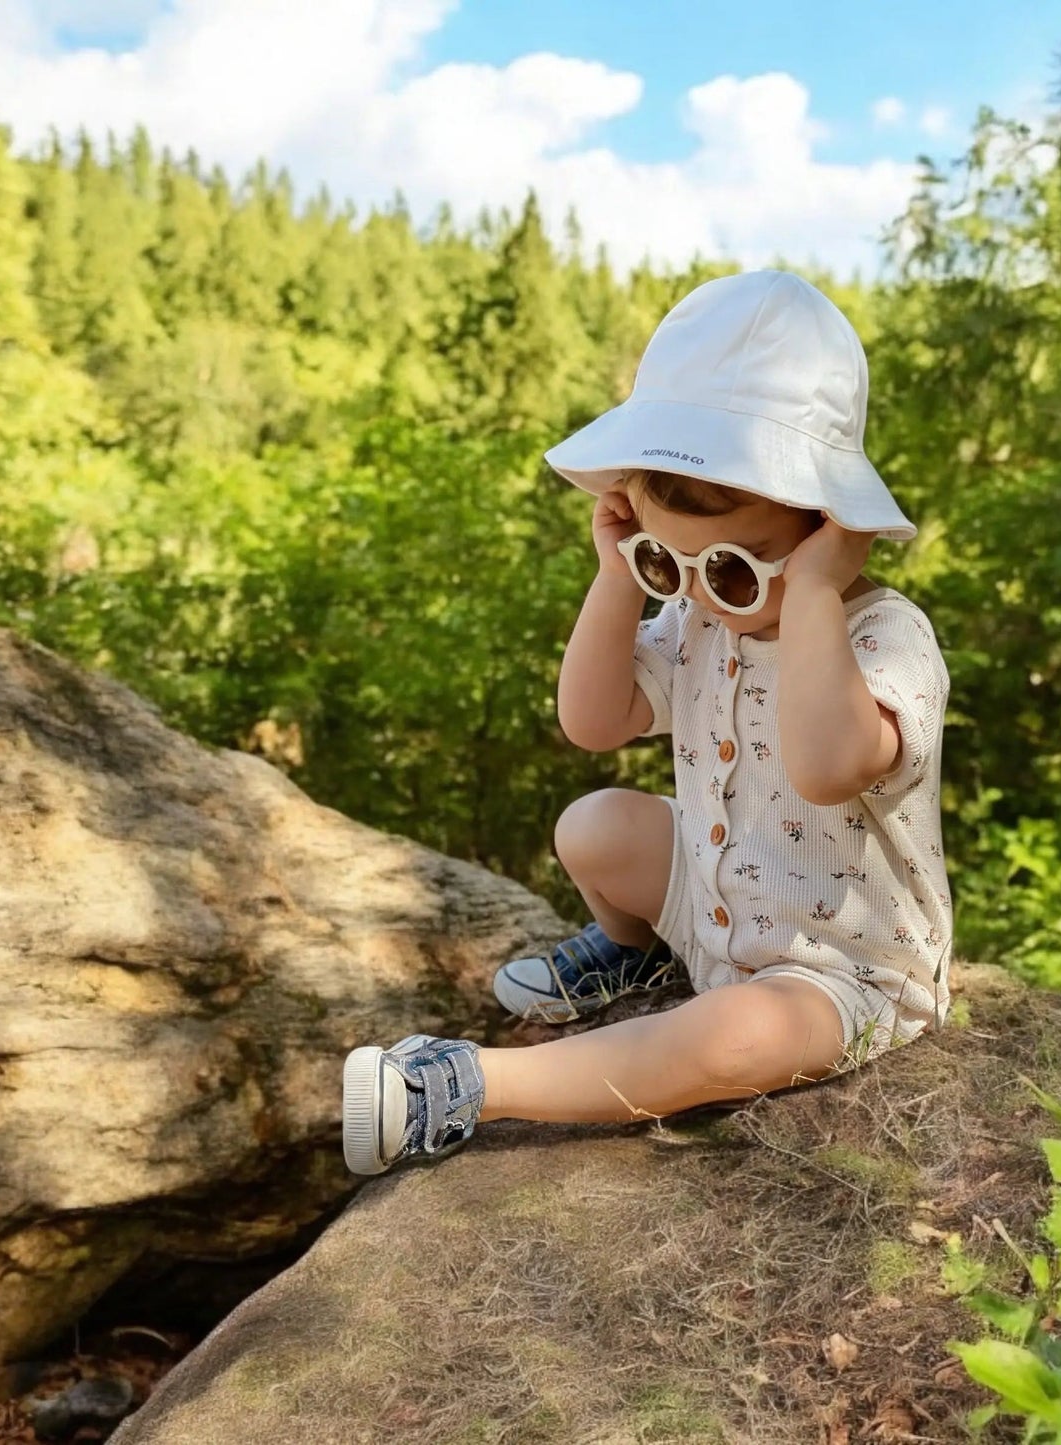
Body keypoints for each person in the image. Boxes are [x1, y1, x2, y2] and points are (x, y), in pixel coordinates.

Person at [342, 269, 952, 1176]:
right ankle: (638, 955)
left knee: (732, 1037)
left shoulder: (885, 637)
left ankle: (468, 1083)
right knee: (593, 823)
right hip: (715, 906)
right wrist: (620, 575)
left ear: (828, 528)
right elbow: (593, 721)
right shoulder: (702, 616)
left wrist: (813, 594)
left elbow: (827, 767)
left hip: (840, 974)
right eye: (670, 560)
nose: (700, 590)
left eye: (733, 568)